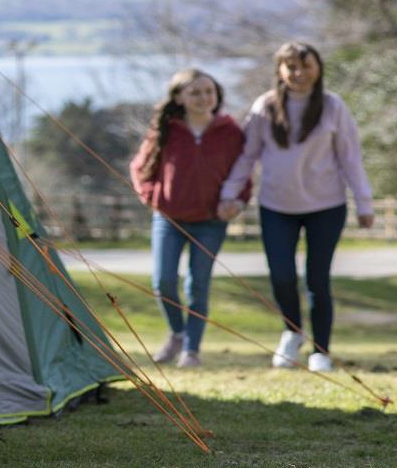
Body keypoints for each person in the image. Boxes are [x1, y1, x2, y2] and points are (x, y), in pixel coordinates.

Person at [218, 41, 374, 374]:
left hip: (325, 206)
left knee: (317, 280)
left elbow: (350, 157)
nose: (299, 73)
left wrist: (364, 201)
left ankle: (321, 351)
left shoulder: (333, 107)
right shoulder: (264, 107)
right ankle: (292, 331)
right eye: (291, 66)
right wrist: (230, 193)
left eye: (306, 66)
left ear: (318, 69)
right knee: (282, 276)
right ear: (280, 71)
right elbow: (247, 156)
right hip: (276, 205)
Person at [130, 68, 247, 368]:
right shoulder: (166, 130)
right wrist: (152, 196)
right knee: (164, 282)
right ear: (179, 98)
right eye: (194, 92)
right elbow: (140, 168)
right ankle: (177, 334)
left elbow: (243, 174)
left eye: (208, 91)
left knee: (198, 285)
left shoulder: (230, 131)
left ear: (217, 95)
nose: (203, 98)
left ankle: (191, 351)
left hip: (211, 222)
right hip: (168, 220)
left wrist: (238, 202)